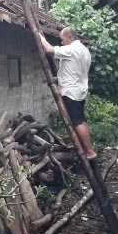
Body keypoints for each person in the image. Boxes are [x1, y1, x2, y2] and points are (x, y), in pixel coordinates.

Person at [39, 28, 97, 161]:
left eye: (63, 39)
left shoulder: (72, 49)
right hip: (79, 90)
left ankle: (89, 151)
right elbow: (72, 70)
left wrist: (39, 35)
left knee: (77, 121)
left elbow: (48, 49)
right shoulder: (84, 50)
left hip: (71, 92)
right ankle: (85, 148)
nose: (61, 41)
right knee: (81, 120)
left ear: (70, 37)